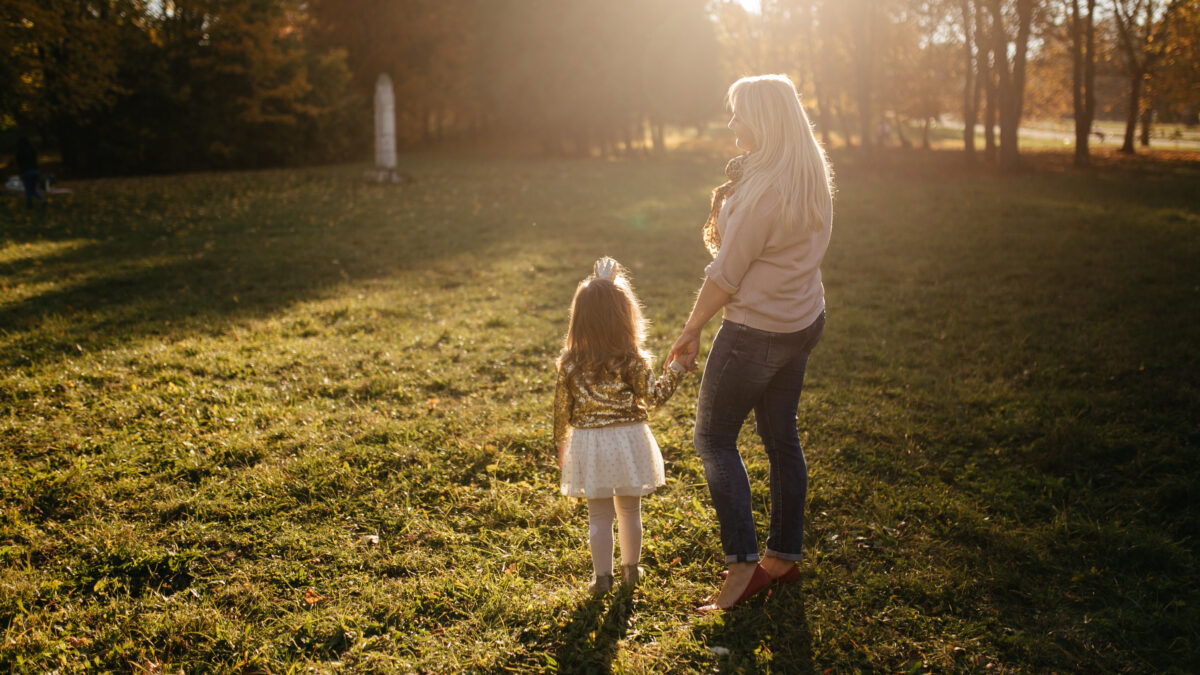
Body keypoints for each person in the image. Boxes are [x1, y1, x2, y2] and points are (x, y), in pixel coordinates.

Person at [666, 74, 834, 612]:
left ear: (763, 120)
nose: (732, 123)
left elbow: (726, 273)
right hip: (803, 319)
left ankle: (742, 568)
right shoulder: (808, 173)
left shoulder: (765, 191)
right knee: (781, 436)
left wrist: (690, 329)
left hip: (757, 331)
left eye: (739, 114)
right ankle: (782, 558)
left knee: (714, 439)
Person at [554, 257, 688, 596]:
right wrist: (677, 370)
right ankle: (631, 571)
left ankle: (602, 578)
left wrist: (562, 446)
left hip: (588, 443)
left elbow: (562, 412)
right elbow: (655, 399)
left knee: (598, 516)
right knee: (629, 509)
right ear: (624, 317)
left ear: (579, 320)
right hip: (628, 440)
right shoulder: (632, 360)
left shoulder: (570, 364)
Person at [16, 137, 46, 210]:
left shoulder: (21, 152)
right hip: (35, 171)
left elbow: (19, 162)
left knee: (28, 190)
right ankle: (42, 199)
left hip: (26, 172)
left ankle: (29, 206)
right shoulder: (33, 150)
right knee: (33, 189)